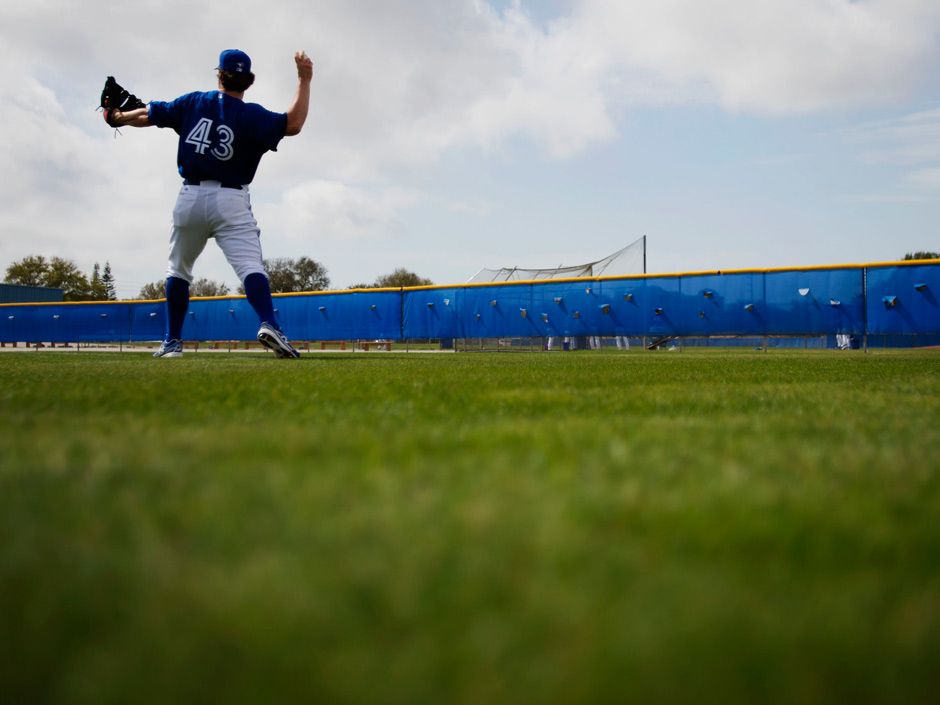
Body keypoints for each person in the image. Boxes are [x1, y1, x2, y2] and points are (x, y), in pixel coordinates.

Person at [108, 49, 313, 358]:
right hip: (231, 198)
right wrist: (304, 78)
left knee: (178, 269)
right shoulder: (252, 115)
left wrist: (116, 117)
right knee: (250, 267)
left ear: (219, 74)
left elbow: (147, 114)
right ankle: (269, 323)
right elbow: (294, 123)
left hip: (189, 197)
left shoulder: (193, 102)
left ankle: (172, 343)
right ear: (248, 81)